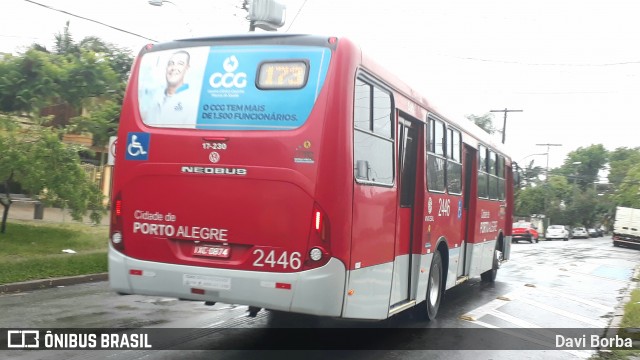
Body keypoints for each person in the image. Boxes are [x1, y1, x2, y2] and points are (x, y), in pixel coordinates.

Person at [145, 50, 195, 127]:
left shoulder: (193, 101)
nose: (174, 68)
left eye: (180, 64)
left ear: (187, 68)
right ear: (166, 67)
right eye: (171, 63)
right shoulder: (153, 98)